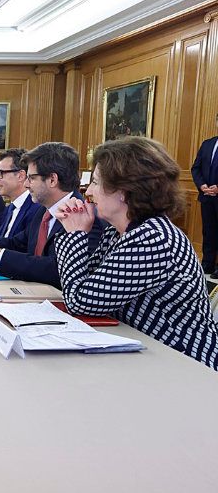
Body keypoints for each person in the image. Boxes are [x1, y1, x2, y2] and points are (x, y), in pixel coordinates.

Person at [55, 137, 218, 370]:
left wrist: (75, 234)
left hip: (185, 367)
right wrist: (76, 234)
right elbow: (84, 283)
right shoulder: (118, 232)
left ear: (125, 191)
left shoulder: (153, 238)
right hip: (144, 356)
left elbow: (80, 301)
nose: (88, 191)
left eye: (96, 182)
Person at [0, 142, 103, 288]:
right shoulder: (43, 210)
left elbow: (58, 269)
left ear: (52, 180)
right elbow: (18, 243)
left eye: (31, 178)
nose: (26, 185)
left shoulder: (83, 216)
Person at [191, 112, 218, 276]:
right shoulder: (207, 144)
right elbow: (196, 168)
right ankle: (207, 264)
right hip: (206, 196)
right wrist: (202, 186)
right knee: (208, 231)